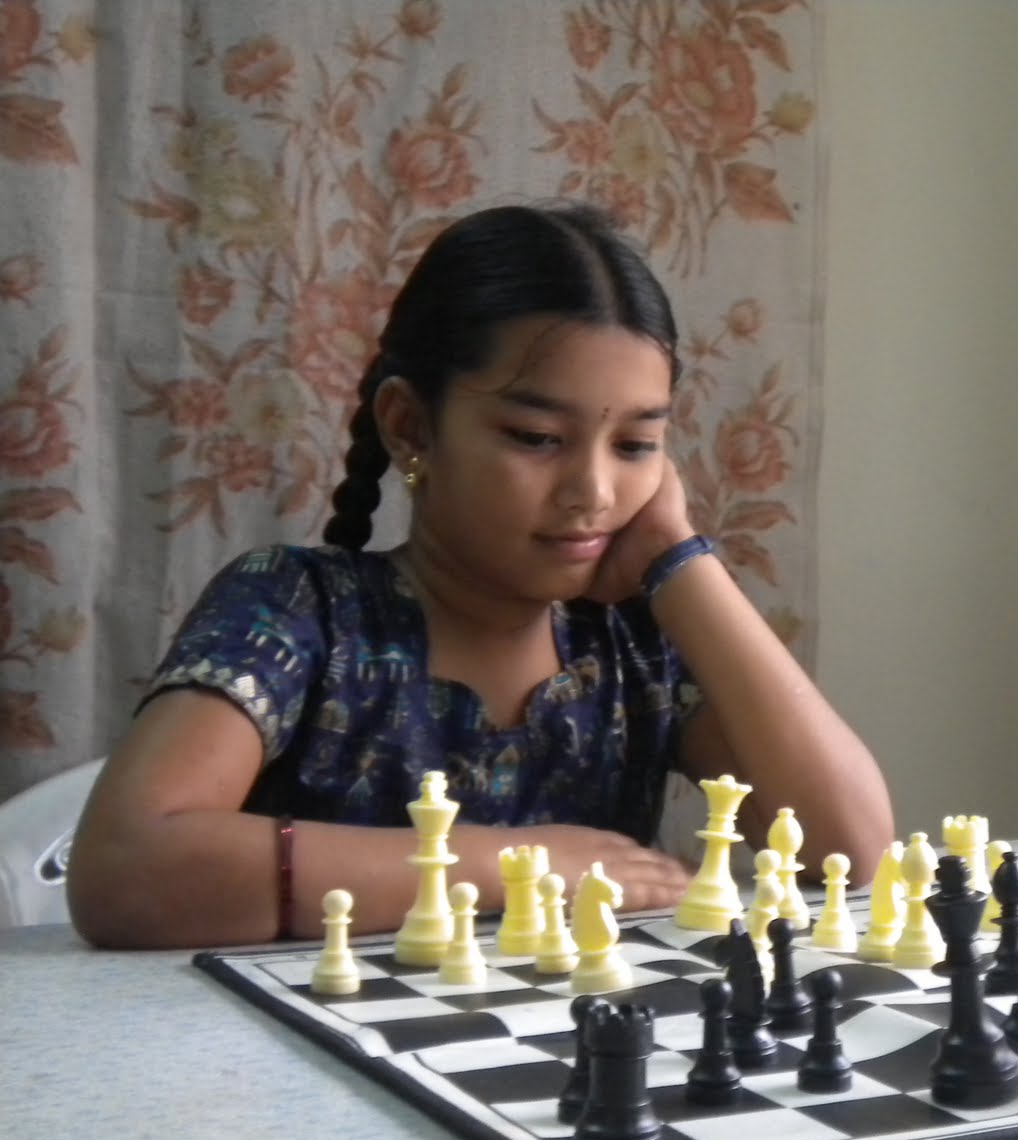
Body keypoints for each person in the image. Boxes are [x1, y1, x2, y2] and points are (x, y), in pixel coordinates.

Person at [67, 203, 894, 950]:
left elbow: (849, 854)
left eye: (636, 445)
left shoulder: (632, 644)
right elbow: (125, 870)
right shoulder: (298, 609)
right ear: (410, 426)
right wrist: (518, 865)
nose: (594, 491)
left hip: (564, 1060)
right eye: (537, 438)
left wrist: (679, 559)